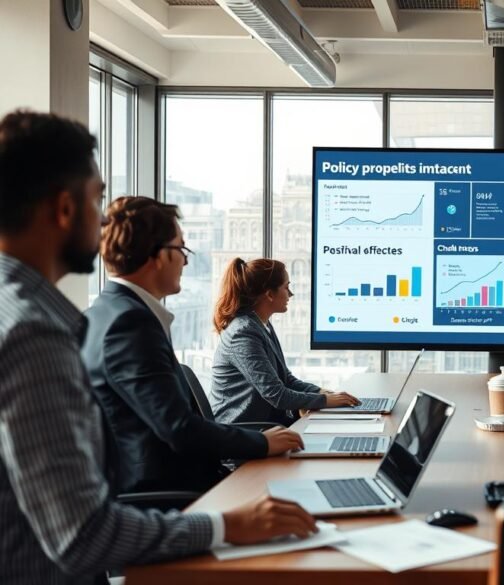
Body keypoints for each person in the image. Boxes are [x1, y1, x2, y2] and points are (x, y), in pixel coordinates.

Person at [0, 110, 316, 584]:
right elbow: (80, 533)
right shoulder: (34, 334)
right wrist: (227, 525)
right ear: (65, 209)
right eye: (96, 201)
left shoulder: (21, 312)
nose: (103, 221)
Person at [81, 196, 305, 493]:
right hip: (172, 493)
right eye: (181, 249)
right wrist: (263, 442)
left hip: (175, 481)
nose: (186, 260)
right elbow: (179, 429)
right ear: (158, 256)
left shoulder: (108, 312)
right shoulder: (130, 324)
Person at [211, 258, 359, 426]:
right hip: (243, 429)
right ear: (269, 294)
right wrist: (324, 400)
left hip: (265, 423)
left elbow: (286, 379)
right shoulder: (242, 333)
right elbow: (276, 394)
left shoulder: (261, 324)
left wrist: (321, 392)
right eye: (286, 287)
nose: (290, 294)